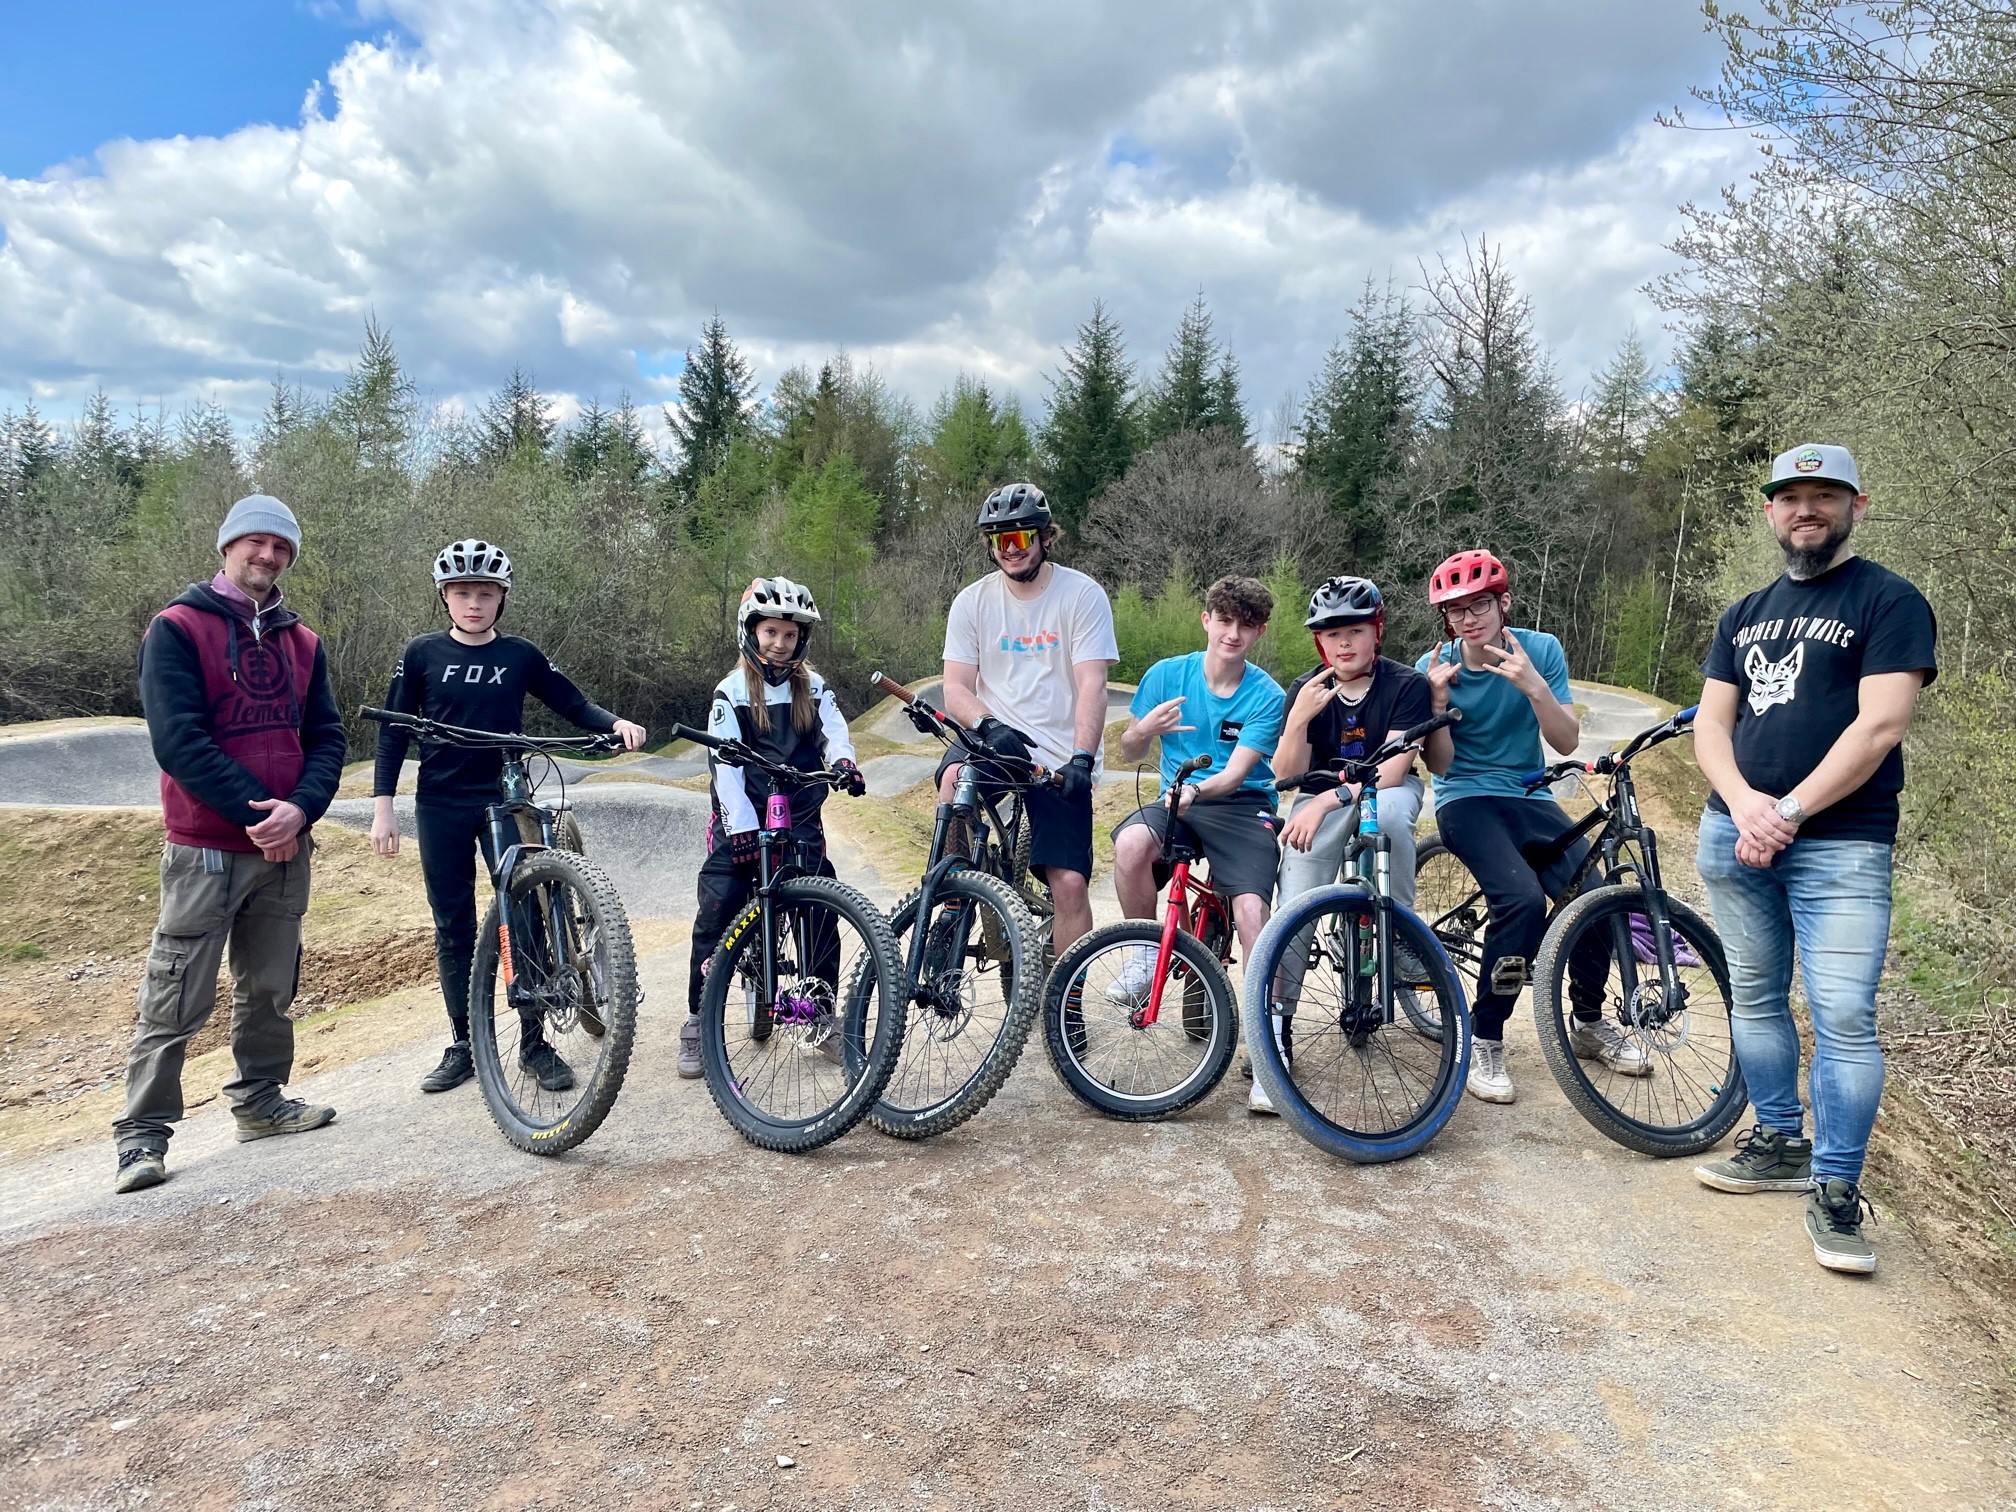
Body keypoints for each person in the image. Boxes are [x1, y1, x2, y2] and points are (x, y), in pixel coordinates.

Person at [1691, 444, 1935, 1276]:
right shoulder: (1744, 613)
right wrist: (1747, 805)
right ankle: (1778, 1142)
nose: (1806, 510)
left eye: (1823, 496)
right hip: (1734, 832)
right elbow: (1710, 727)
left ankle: (1834, 1189)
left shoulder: (1891, 601)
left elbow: (1879, 727)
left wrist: (1788, 811)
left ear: (1855, 506)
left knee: (1842, 1018)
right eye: (1790, 496)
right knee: (1755, 998)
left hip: (1841, 843)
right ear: (1770, 512)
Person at [112, 494, 348, 1194]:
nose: (268, 557)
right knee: (177, 992)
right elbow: (178, 740)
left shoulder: (304, 642)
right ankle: (141, 1137)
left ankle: (261, 1102)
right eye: (255, 543)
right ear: (227, 547)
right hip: (207, 847)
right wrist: (260, 814)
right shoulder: (177, 628)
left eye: (281, 548)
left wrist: (300, 811)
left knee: (271, 988)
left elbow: (328, 738)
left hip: (285, 845)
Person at [370, 539, 646, 1094]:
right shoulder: (421, 653)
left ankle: (534, 1042)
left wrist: (615, 724)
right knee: (452, 924)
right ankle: (464, 1044)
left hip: (506, 797)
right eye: (463, 593)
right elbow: (393, 730)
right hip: (440, 802)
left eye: (487, 594)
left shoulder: (520, 655)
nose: (474, 603)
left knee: (523, 914)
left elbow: (573, 702)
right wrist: (383, 808)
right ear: (445, 597)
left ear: (502, 599)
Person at [1417, 548, 1644, 1105]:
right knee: (1520, 900)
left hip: (1529, 792)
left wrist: (1533, 685)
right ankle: (1486, 1034)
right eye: (1456, 611)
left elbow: (1565, 741)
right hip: (1465, 797)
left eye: (1480, 606)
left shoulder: (1540, 650)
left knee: (1594, 897)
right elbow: (1440, 765)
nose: (1469, 619)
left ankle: (1588, 1022)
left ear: (1504, 603)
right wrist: (1438, 700)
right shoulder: (1437, 664)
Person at [1264, 576, 1450, 1110]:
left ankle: (1400, 937)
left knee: (1389, 819)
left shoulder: (1406, 685)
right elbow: (1287, 773)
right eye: (1331, 635)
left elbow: (1391, 772)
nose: (1343, 643)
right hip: (1317, 796)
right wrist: (1298, 719)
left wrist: (1324, 801)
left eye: (1355, 631)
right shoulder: (1307, 688)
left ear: (1377, 632)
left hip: (1378, 793)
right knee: (1296, 889)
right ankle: (1280, 1018)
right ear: (1319, 643)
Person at [680, 576, 867, 1079]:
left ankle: (819, 1012)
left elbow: (835, 733)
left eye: (789, 634)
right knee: (719, 905)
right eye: (770, 632)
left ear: (800, 638)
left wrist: (845, 763)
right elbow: (725, 764)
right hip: (743, 814)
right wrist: (740, 826)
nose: (779, 643)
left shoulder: (814, 684)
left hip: (800, 814)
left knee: (822, 906)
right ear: (751, 632)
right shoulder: (732, 690)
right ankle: (699, 1020)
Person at [1110, 577, 1286, 1098]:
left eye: (1246, 625)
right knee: (1130, 847)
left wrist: (1193, 792)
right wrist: (1145, 731)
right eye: (1225, 620)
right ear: (1206, 619)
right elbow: (1126, 750)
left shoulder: (1267, 695)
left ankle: (1271, 1038)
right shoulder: (1167, 676)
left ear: (1259, 633)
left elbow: (1235, 776)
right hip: (1174, 799)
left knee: (1253, 910)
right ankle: (1146, 953)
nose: (1233, 634)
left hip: (1240, 804)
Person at [939, 482, 1119, 952]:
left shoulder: (1082, 595)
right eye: (1001, 541)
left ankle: (1067, 1004)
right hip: (993, 741)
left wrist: (1082, 757)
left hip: (1058, 755)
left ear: (1044, 537)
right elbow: (955, 687)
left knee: (1070, 885)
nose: (1011, 550)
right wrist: (988, 724)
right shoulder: (971, 601)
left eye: (1020, 538)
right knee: (954, 776)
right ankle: (953, 897)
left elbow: (1092, 684)